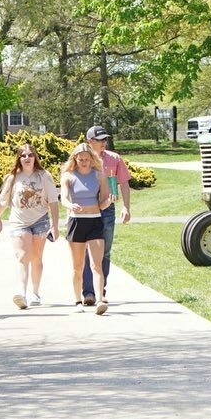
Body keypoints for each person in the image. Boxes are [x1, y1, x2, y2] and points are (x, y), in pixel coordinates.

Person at [0, 144, 59, 309]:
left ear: (35, 157)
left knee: (36, 258)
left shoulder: (44, 176)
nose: (27, 158)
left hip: (40, 221)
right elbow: (3, 202)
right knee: (23, 256)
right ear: (19, 158)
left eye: (30, 155)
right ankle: (21, 294)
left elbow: (53, 202)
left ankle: (35, 293)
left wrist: (55, 226)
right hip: (19, 222)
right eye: (23, 155)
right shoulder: (13, 178)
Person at [82, 125, 132, 305]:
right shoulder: (82, 158)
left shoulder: (114, 159)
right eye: (100, 139)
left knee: (105, 251)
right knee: (87, 251)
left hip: (107, 210)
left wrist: (126, 207)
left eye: (105, 139)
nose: (104, 142)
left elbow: (124, 183)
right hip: (87, 209)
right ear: (90, 141)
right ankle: (88, 292)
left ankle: (100, 291)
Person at [60, 142, 110, 315]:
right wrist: (70, 205)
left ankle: (99, 300)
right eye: (80, 159)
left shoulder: (99, 176)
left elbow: (103, 201)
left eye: (87, 159)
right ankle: (77, 301)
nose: (84, 162)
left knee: (97, 265)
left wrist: (108, 201)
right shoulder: (68, 176)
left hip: (95, 220)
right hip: (76, 222)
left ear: (92, 159)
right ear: (75, 159)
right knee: (78, 266)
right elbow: (64, 198)